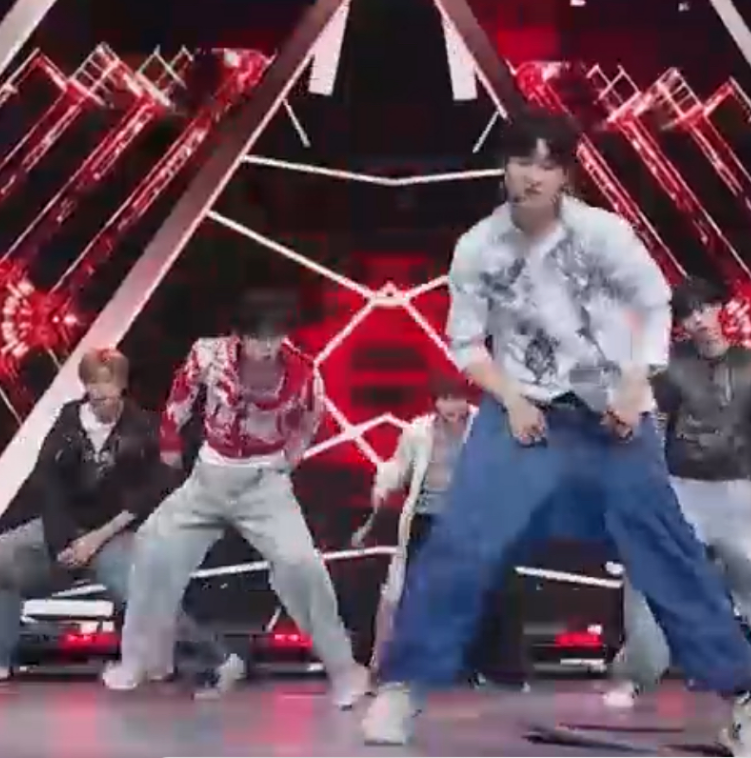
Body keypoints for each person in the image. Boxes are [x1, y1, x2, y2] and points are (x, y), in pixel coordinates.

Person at [362, 108, 751, 756]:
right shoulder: (478, 247)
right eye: (520, 162)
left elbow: (653, 307)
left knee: (666, 548)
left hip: (612, 416)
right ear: (503, 167)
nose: (531, 177)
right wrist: (510, 398)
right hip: (521, 410)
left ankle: (742, 702)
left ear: (566, 174)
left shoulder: (603, 235)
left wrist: (634, 387)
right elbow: (466, 343)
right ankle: (403, 684)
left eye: (547, 164)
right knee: (462, 540)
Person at [102, 289, 369, 707]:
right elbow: (182, 391)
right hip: (208, 480)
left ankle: (344, 669)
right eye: (260, 337)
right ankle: (138, 659)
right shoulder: (209, 354)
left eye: (276, 336)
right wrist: (170, 438)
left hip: (264, 485)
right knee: (153, 547)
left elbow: (310, 419)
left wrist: (289, 459)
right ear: (240, 335)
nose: (268, 346)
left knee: (301, 565)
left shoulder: (303, 371)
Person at [603, 278, 751, 715]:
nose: (699, 320)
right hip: (681, 491)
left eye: (704, 309)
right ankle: (633, 677)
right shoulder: (671, 368)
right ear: (681, 324)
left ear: (718, 310)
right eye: (689, 315)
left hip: (737, 494)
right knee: (649, 573)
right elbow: (658, 426)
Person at [0, 348, 239, 693]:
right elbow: (48, 483)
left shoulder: (144, 429)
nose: (100, 398)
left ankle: (218, 659)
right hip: (64, 531)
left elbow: (150, 493)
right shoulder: (68, 422)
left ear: (123, 386)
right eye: (93, 389)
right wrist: (63, 539)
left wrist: (95, 540)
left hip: (113, 533)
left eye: (108, 389)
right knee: (3, 558)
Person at [355, 374, 528, 689]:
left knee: (489, 591)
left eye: (457, 398)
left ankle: (497, 670)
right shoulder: (418, 431)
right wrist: (382, 486)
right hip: (426, 519)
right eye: (445, 399)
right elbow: (398, 466)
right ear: (435, 402)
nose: (451, 406)